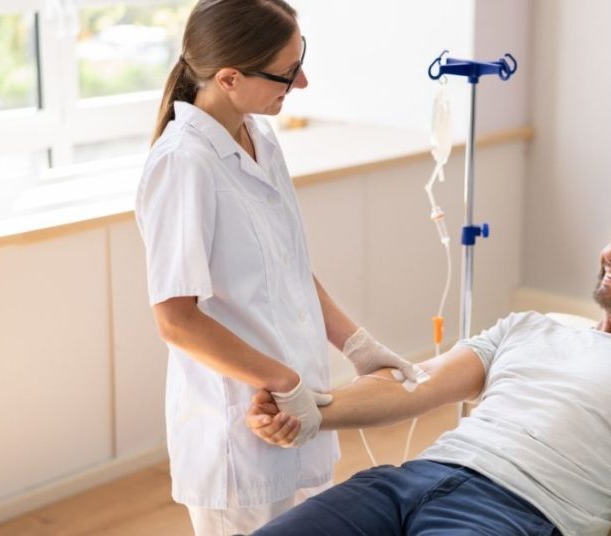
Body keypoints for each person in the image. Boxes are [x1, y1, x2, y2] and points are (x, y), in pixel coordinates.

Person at [246, 190, 611, 536]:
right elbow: (414, 386)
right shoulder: (529, 327)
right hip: (405, 483)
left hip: (512, 515)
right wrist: (308, 410)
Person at [133, 1, 422, 534]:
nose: (304, 81)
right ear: (229, 77)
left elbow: (289, 267)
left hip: (299, 409)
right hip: (243, 428)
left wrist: (356, 344)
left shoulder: (259, 137)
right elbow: (176, 319)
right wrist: (281, 381)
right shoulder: (184, 163)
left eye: (301, 60)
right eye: (288, 72)